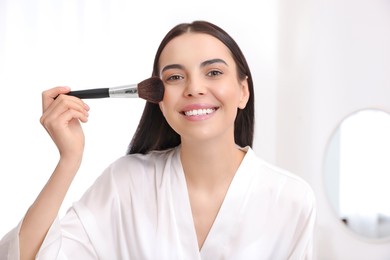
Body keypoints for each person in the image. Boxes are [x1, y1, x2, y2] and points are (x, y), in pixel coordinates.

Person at [0, 20, 316, 259]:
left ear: (243, 91)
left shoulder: (291, 200)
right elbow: (25, 256)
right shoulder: (126, 183)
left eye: (214, 72)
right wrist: (69, 161)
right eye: (175, 77)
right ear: (158, 98)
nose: (194, 88)